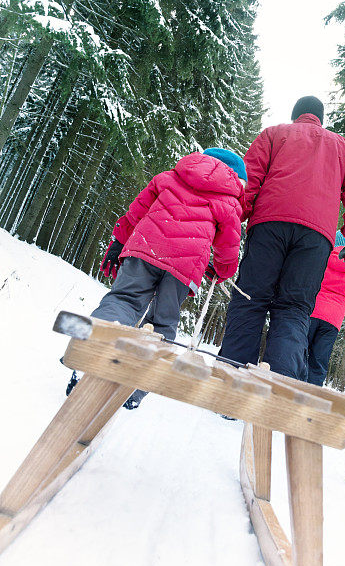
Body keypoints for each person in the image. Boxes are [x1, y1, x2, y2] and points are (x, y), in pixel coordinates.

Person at [66, 148, 247, 408]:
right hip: (184, 267)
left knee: (124, 300)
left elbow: (137, 210)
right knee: (162, 322)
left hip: (145, 247)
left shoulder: (169, 177)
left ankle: (91, 353)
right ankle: (134, 388)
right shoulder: (229, 201)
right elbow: (228, 246)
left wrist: (119, 239)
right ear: (236, 177)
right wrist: (222, 270)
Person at [218, 95, 345, 380]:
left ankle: (232, 378)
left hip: (269, 224)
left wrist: (234, 218)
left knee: (250, 298)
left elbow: (251, 180)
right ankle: (278, 384)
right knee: (295, 308)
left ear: (295, 115)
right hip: (316, 238)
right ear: (321, 119)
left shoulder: (274, 134)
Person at [306, 232, 345, 386]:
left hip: (311, 312)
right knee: (318, 361)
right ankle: (310, 397)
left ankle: (288, 388)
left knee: (300, 352)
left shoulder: (321, 261)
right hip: (332, 322)